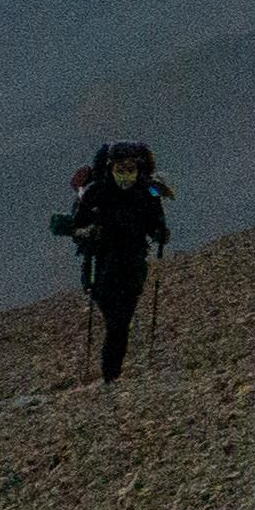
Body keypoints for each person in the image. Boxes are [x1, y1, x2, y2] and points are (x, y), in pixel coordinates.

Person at [50, 140, 172, 382]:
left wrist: (160, 233)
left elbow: (156, 224)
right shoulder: (99, 193)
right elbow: (78, 223)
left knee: (120, 322)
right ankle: (110, 376)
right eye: (120, 169)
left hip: (132, 265)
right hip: (105, 267)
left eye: (130, 169)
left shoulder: (146, 192)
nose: (125, 175)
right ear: (111, 168)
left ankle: (111, 377)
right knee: (117, 323)